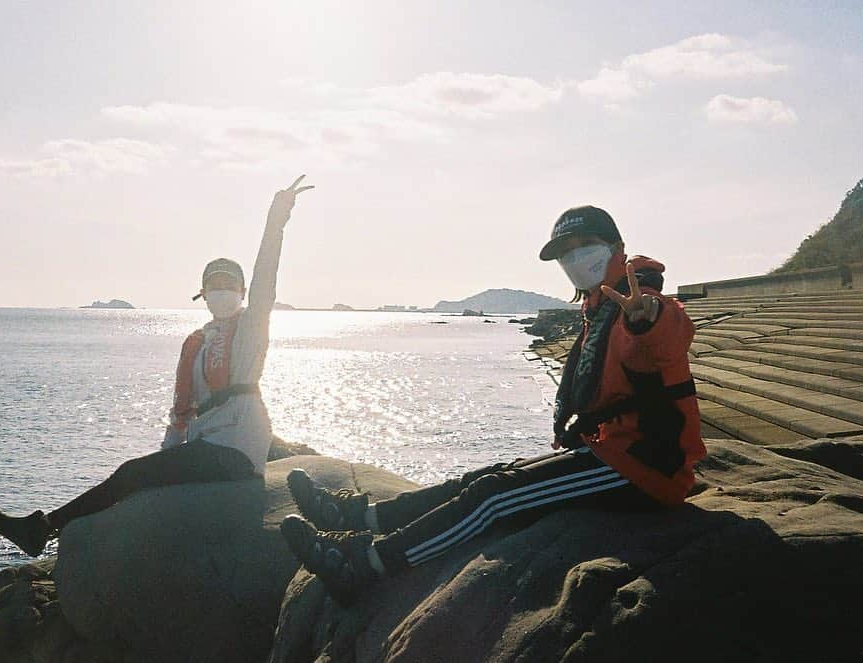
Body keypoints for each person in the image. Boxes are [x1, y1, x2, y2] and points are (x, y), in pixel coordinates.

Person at [280, 205, 706, 605]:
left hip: (642, 472)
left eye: (584, 246)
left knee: (492, 498)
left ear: (616, 248)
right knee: (485, 476)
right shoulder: (596, 309)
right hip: (606, 452)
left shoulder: (643, 303)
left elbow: (663, 333)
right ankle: (358, 515)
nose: (576, 259)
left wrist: (642, 318)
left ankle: (366, 565)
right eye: (567, 254)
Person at [0, 176, 314, 557]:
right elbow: (182, 411)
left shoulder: (250, 330)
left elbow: (266, 281)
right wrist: (166, 453)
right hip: (206, 444)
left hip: (237, 448)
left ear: (241, 293)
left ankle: (43, 529)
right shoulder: (198, 343)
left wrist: (276, 221)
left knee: (132, 474)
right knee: (142, 475)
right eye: (214, 285)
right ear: (203, 294)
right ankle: (57, 533)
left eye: (229, 284)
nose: (221, 290)